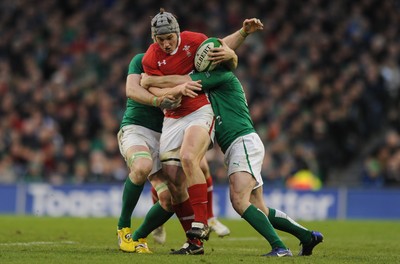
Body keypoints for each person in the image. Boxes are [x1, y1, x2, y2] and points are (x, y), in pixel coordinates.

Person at [141, 40, 323, 256]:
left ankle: (280, 248)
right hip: (240, 145)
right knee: (260, 208)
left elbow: (183, 80)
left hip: (242, 141)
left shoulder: (220, 77)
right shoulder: (216, 80)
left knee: (238, 201)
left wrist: (151, 80)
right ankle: (307, 236)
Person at [141, 8, 264, 253]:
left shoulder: (193, 40)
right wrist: (167, 95)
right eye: (160, 40)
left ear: (177, 32)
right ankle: (193, 241)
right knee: (173, 180)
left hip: (200, 111)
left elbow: (217, 49)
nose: (166, 44)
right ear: (154, 38)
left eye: (170, 38)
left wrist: (243, 33)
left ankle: (203, 222)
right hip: (173, 118)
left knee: (189, 158)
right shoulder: (149, 58)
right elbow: (151, 91)